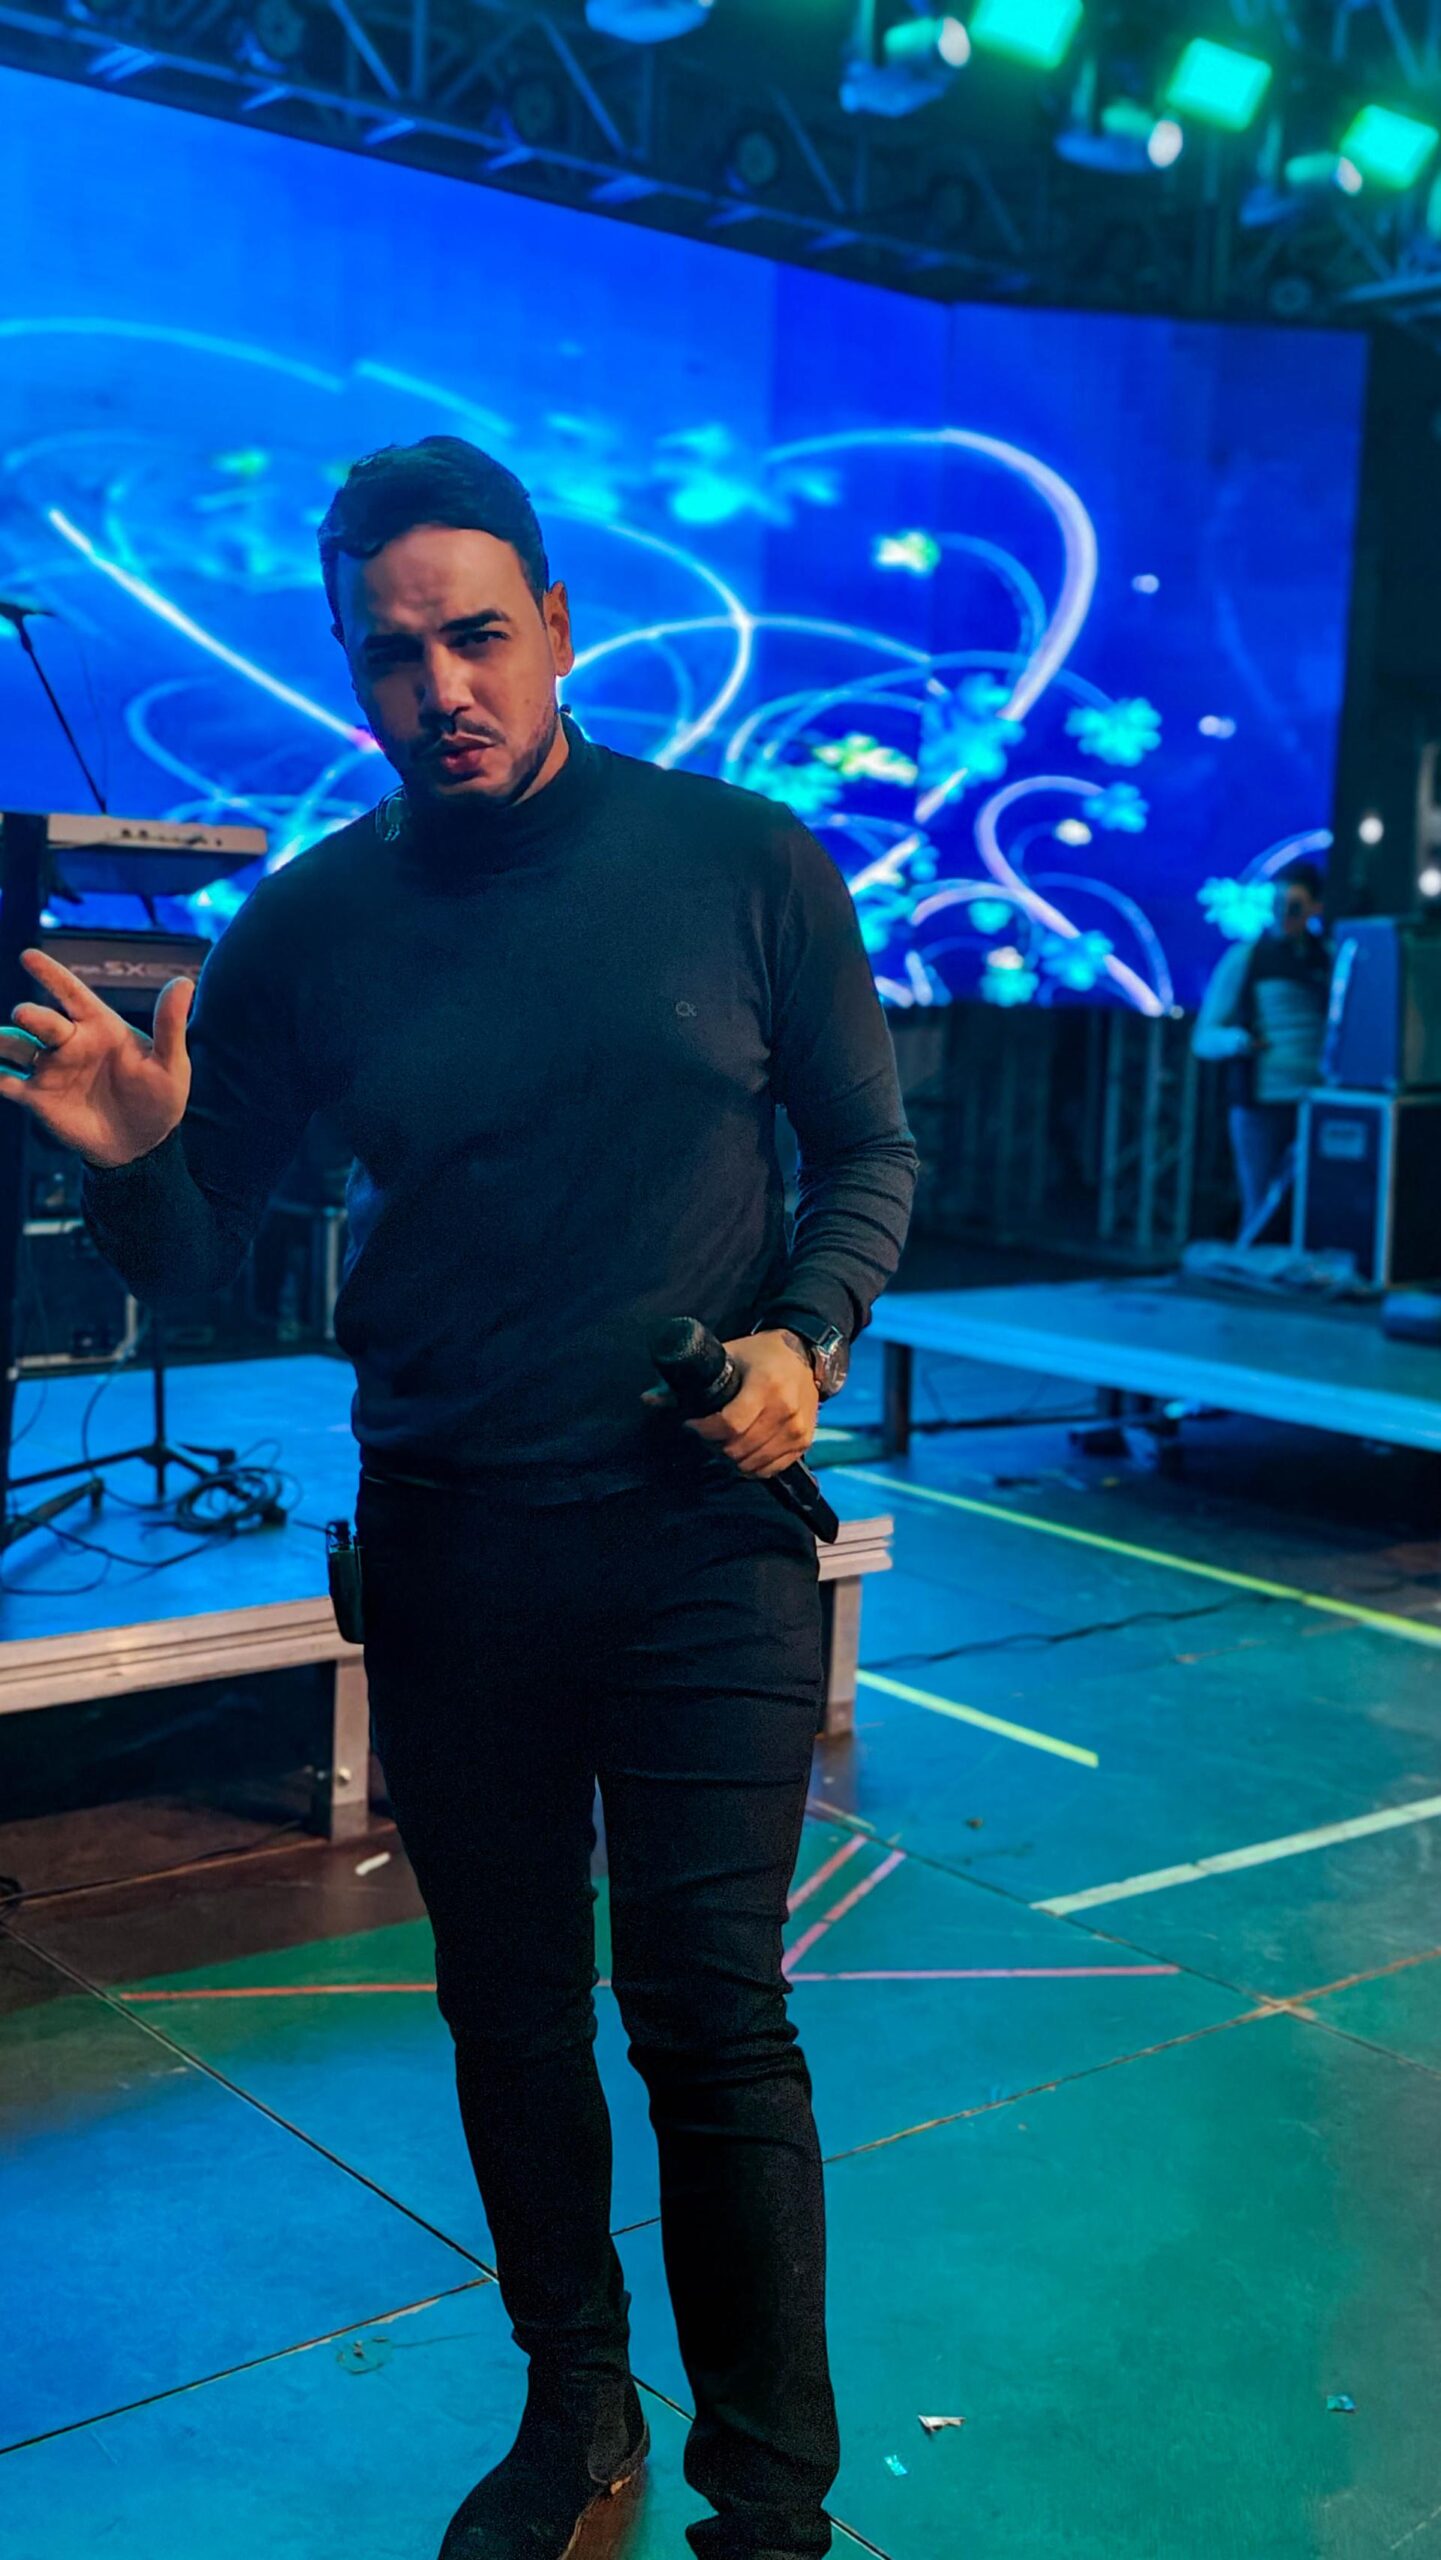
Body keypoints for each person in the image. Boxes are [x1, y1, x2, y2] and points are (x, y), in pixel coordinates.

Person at [0, 436, 918, 2560]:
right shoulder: (316, 924)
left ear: (559, 629)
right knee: (505, 2006)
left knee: (710, 2016)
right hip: (450, 1545)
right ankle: (573, 2406)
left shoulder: (744, 863)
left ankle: (772, 2511)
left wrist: (803, 1339)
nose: (444, 690)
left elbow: (866, 1153)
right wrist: (133, 1163)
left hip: (701, 1534)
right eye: (392, 655)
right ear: (351, 665)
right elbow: (200, 1257)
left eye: (478, 637)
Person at [1192, 860, 1332, 1236]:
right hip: (1259, 1104)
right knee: (1261, 1210)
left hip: (1316, 1102)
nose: (1284, 914)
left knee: (1316, 1209)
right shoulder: (1246, 957)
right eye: (1277, 904)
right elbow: (1203, 1038)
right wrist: (1238, 1042)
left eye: (1294, 906)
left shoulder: (1329, 958)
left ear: (1315, 908)